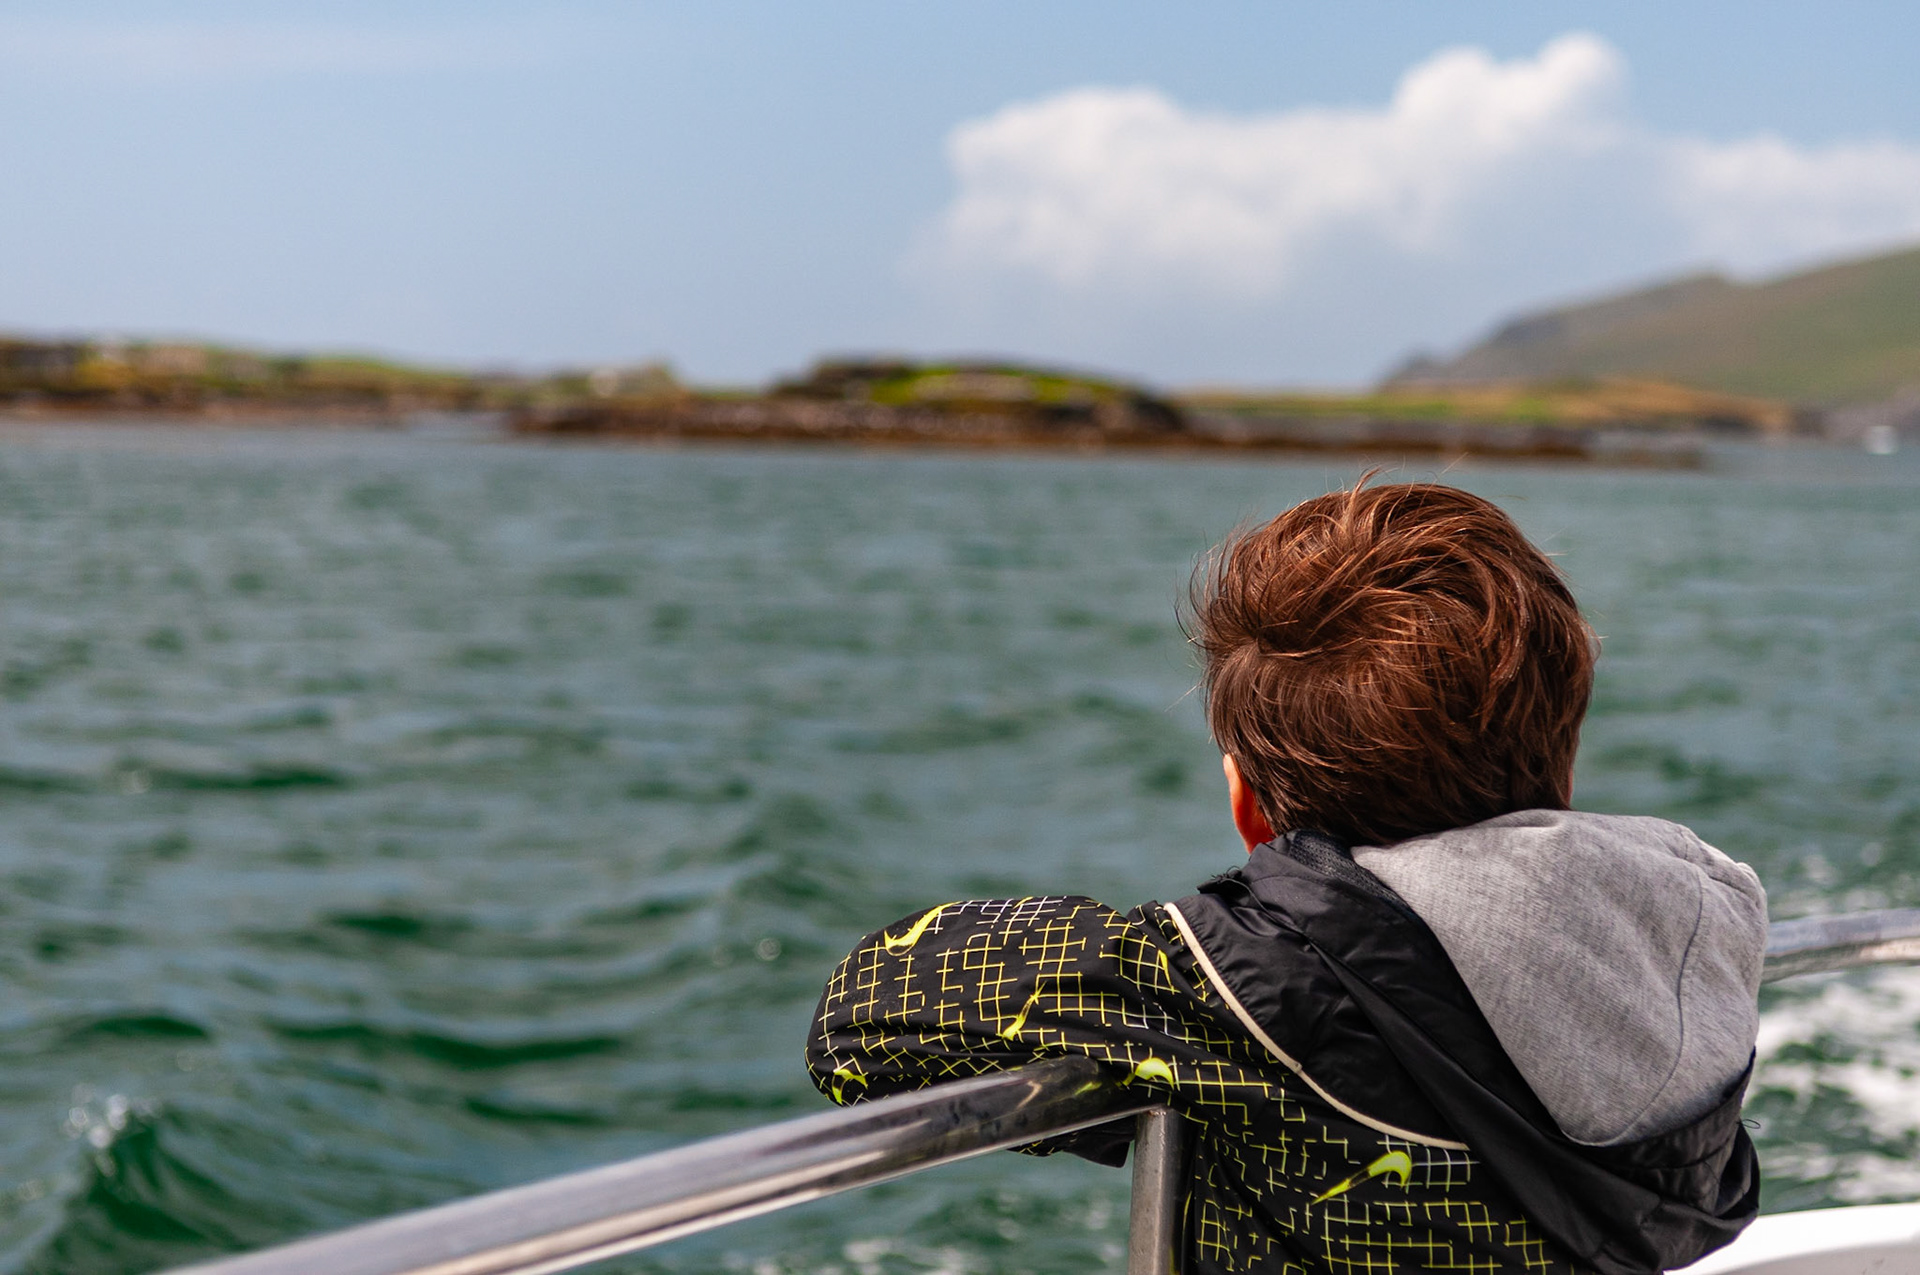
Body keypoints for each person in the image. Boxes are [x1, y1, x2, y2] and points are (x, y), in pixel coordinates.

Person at [806, 479, 1765, 1275]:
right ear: (1561, 753)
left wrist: (1158, 1077)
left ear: (1249, 803)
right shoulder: (1695, 930)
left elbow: (858, 1021)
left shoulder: (1255, 989)